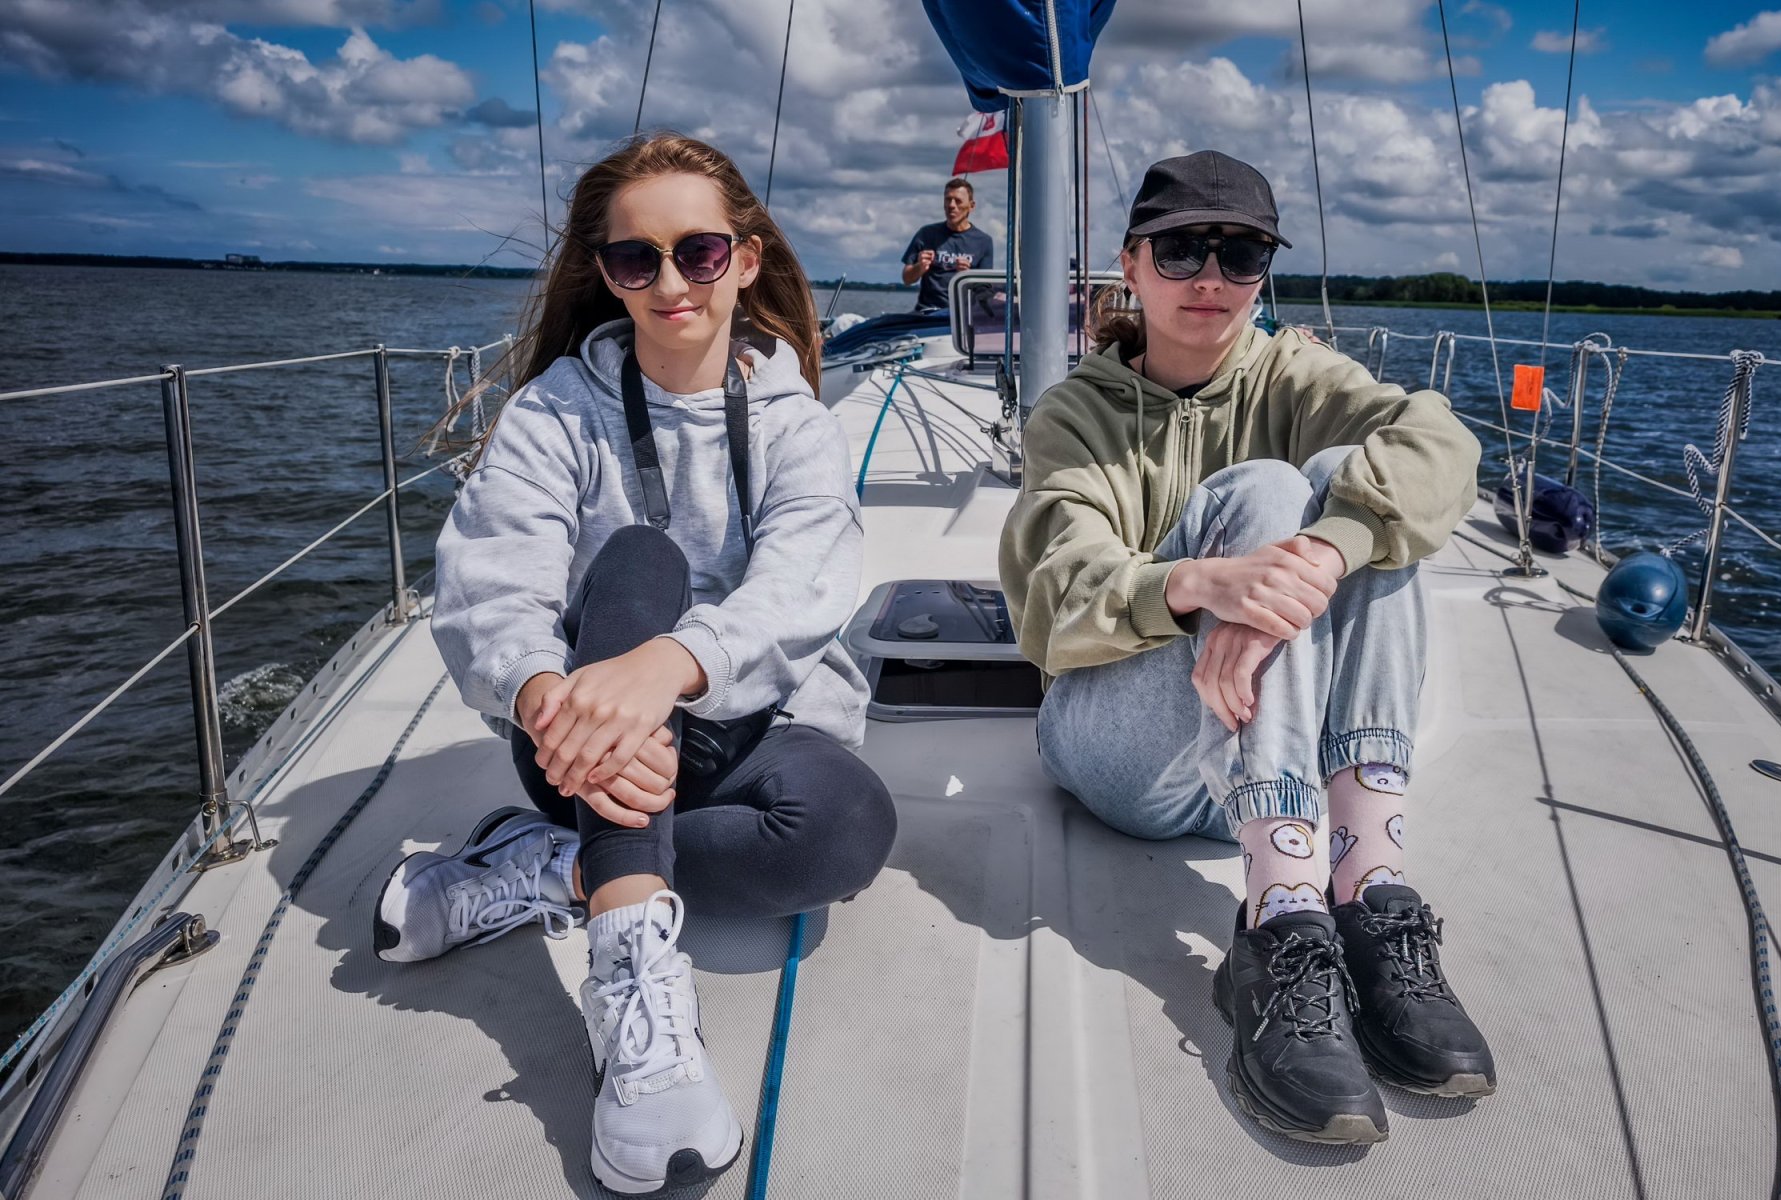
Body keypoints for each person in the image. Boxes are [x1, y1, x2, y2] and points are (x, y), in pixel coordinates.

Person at [374, 132, 896, 1195]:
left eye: (698, 252)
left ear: (744, 261)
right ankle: (632, 976)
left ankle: (553, 868)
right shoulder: (556, 411)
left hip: (735, 728)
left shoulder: (797, 423)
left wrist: (669, 667)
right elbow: (489, 584)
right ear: (605, 274)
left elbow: (804, 584)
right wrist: (544, 692)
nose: (670, 283)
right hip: (575, 741)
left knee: (848, 829)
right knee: (639, 557)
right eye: (634, 259)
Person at [999, 150, 1493, 1145]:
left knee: (1366, 486)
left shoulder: (1295, 376)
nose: (1211, 278)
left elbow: (1442, 446)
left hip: (1276, 776)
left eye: (1241, 254)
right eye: (1182, 250)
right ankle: (1277, 924)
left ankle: (1364, 887)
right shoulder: (1074, 414)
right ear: (1130, 265)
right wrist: (1199, 588)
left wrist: (1331, 544)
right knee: (1267, 489)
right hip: (1121, 753)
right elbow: (1053, 595)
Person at [900, 176, 994, 314]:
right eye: (948, 199)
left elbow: (984, 291)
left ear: (971, 206)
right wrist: (919, 267)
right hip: (928, 311)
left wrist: (967, 277)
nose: (951, 205)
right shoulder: (926, 234)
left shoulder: (983, 241)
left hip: (963, 315)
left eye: (958, 201)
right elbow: (907, 279)